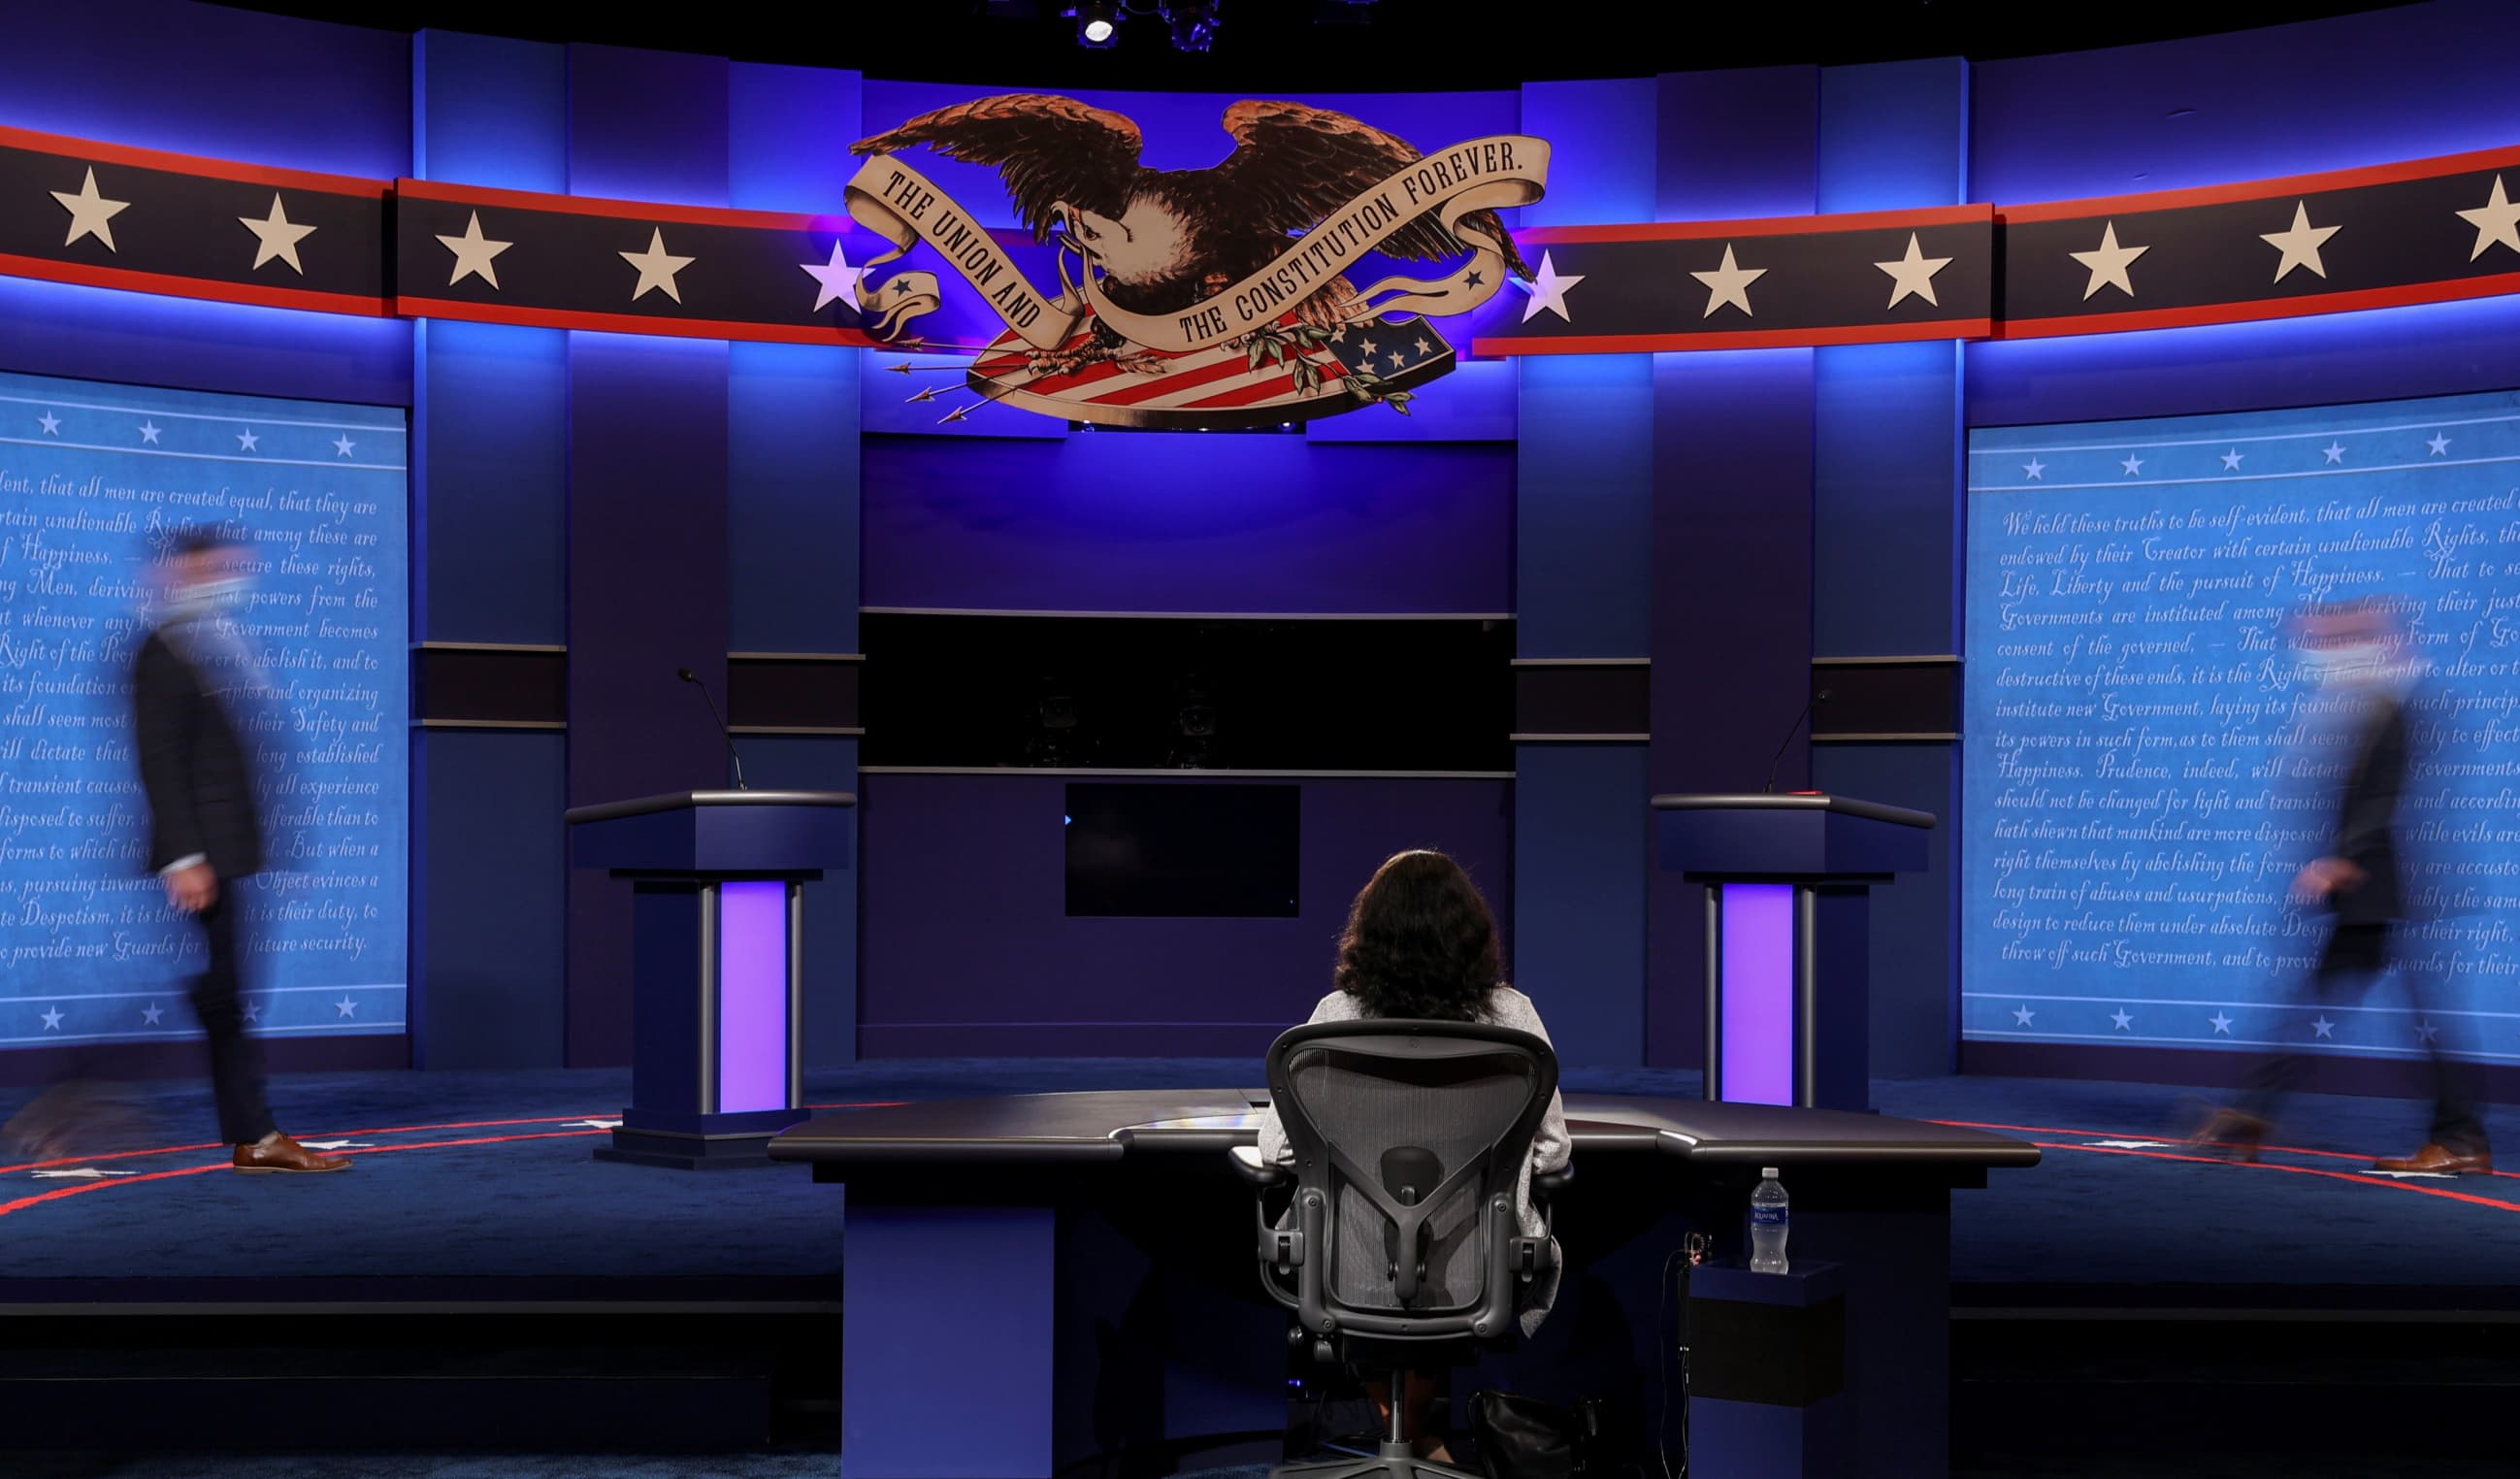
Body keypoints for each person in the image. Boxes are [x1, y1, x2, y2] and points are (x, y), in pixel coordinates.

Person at [1256, 849, 1571, 1462]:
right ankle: (1420, 1444)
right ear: (1472, 934)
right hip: (1479, 1264)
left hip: (1346, 1263)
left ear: (1370, 933)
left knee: (1360, 1259)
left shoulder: (1336, 1018)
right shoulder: (1514, 1017)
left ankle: (1408, 1439)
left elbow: (1277, 1146)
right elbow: (1554, 1153)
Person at [2198, 598, 2489, 1173]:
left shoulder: (2394, 705)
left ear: (2367, 643)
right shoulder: (2359, 704)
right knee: (2321, 1000)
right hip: (2372, 892)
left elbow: (2383, 794)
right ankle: (2250, 1113)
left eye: (2330, 640)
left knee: (2415, 1018)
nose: (2316, 653)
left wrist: (2343, 859)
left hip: (2389, 890)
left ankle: (2459, 1139)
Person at [131, 527, 348, 1174]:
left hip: (234, 851)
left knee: (225, 991)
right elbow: (159, 758)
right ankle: (255, 1135)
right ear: (182, 574)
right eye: (215, 569)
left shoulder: (224, 642)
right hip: (204, 858)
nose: (229, 579)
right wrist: (183, 856)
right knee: (223, 994)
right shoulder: (162, 649)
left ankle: (254, 1135)